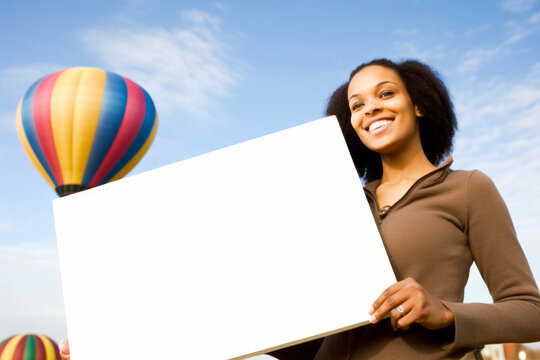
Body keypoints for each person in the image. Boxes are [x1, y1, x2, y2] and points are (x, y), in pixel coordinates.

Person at [60, 59, 540, 360]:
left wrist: (447, 314)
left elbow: (529, 311)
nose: (369, 108)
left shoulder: (468, 188)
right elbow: (310, 340)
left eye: (385, 94)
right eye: (356, 105)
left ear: (420, 105)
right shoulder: (333, 204)